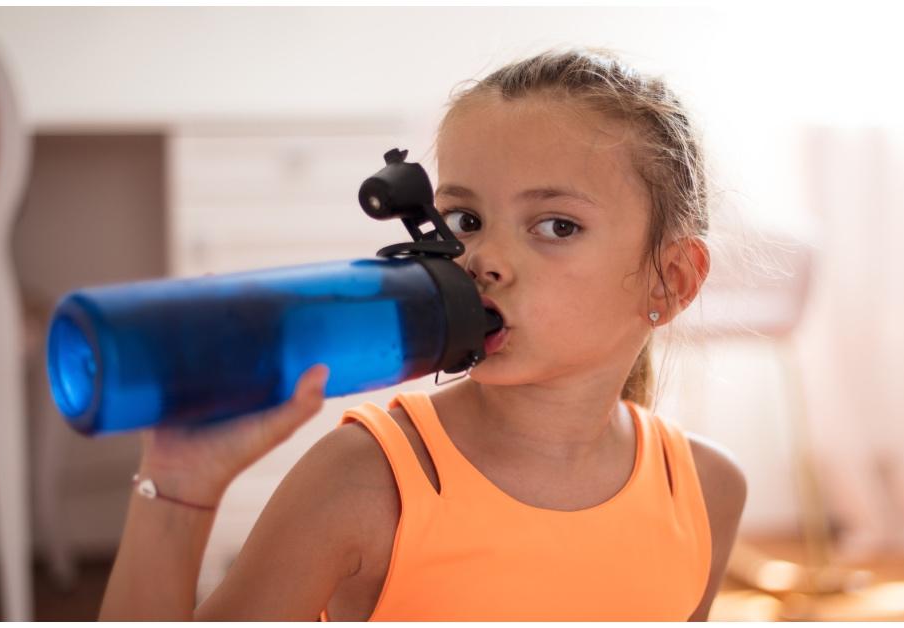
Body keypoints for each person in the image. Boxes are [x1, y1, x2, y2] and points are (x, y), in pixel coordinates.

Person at [99, 48, 746, 621]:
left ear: (671, 281)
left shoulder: (705, 491)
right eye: (464, 218)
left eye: (556, 226)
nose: (482, 258)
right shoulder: (364, 481)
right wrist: (177, 487)